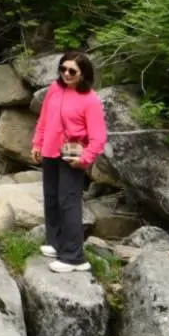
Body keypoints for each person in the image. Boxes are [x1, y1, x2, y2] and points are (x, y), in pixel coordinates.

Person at [33, 51, 108, 274]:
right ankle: (57, 243)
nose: (66, 73)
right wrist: (37, 143)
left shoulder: (90, 100)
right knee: (51, 198)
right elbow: (44, 119)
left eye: (72, 71)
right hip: (50, 151)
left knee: (69, 203)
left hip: (72, 156)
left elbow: (99, 137)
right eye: (63, 69)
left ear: (83, 74)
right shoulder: (54, 89)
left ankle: (75, 258)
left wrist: (85, 158)